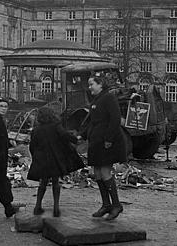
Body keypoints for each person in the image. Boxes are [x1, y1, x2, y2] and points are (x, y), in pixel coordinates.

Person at [78, 74, 126, 220]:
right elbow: (93, 121)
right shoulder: (97, 99)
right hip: (96, 142)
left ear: (100, 84)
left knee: (105, 172)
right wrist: (83, 135)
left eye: (91, 84)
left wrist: (109, 139)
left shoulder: (109, 98)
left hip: (106, 142)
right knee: (97, 173)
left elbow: (115, 119)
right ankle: (106, 205)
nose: (89, 87)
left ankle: (116, 205)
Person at [28, 106, 84, 217]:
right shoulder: (56, 126)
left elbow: (32, 146)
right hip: (55, 158)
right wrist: (76, 139)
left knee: (42, 183)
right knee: (55, 182)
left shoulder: (36, 130)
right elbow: (64, 135)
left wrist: (35, 157)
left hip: (42, 159)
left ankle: (37, 206)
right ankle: (56, 208)